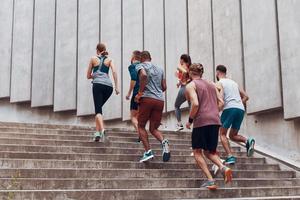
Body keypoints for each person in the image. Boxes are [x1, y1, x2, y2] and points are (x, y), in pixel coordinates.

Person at [185, 63, 232, 190]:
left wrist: (190, 120)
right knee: (209, 151)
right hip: (215, 120)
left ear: (190, 73)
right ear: (201, 73)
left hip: (201, 121)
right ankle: (224, 167)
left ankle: (210, 180)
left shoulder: (191, 85)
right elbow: (221, 102)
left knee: (197, 151)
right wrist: (213, 112)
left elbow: (195, 104)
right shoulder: (211, 84)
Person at [134, 51, 170, 163]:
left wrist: (140, 93)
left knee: (140, 126)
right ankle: (164, 142)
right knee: (153, 128)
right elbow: (164, 87)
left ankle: (148, 152)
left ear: (141, 58)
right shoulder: (160, 69)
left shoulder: (140, 66)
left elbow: (144, 75)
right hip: (159, 100)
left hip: (147, 99)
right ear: (150, 58)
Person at [215, 65, 255, 164]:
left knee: (222, 134)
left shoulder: (219, 83)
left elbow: (221, 101)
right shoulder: (234, 83)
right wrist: (238, 103)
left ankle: (230, 156)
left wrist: (216, 111)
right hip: (240, 109)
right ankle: (247, 141)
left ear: (217, 72)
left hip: (229, 108)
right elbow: (246, 97)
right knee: (233, 135)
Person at [87, 43, 120, 142]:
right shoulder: (110, 60)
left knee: (98, 111)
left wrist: (96, 74)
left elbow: (88, 76)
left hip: (98, 85)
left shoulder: (93, 59)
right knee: (99, 109)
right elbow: (114, 72)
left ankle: (102, 130)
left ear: (97, 50)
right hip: (108, 87)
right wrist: (116, 87)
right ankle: (97, 133)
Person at [126, 50, 142, 142]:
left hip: (136, 93)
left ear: (133, 58)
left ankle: (141, 134)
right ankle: (141, 135)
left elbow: (133, 79)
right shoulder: (144, 66)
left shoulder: (132, 66)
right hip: (145, 94)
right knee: (139, 116)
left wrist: (129, 93)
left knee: (133, 117)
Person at [174, 54, 192, 131]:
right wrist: (181, 81)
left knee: (176, 105)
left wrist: (181, 81)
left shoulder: (181, 66)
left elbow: (184, 72)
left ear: (182, 60)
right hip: (191, 88)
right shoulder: (190, 68)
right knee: (191, 106)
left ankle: (179, 124)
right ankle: (191, 123)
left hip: (184, 88)